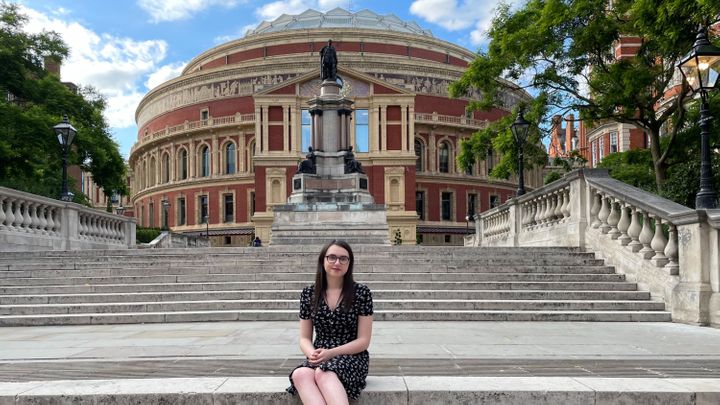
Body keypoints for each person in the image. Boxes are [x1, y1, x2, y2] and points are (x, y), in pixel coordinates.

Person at [287, 240, 374, 404]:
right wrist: (312, 353)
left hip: (351, 356)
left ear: (349, 263)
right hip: (319, 356)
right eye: (332, 257)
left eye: (343, 259)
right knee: (300, 374)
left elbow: (364, 341)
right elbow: (304, 338)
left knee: (323, 373)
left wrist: (331, 353)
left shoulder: (361, 293)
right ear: (323, 260)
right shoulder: (309, 293)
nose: (337, 262)